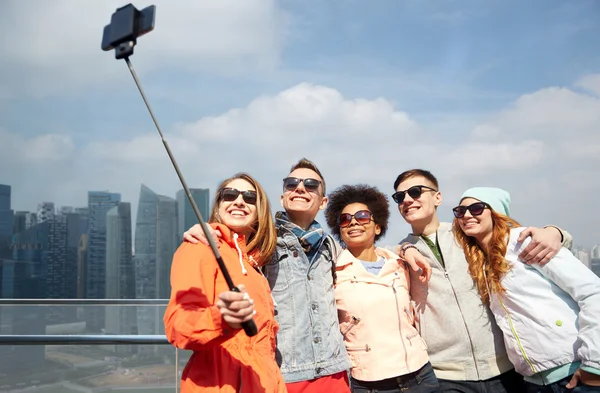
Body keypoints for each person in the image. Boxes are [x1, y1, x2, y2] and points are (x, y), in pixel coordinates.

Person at [393, 169, 573, 393]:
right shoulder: (397, 256)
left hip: (505, 368)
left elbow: (515, 237)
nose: (407, 200)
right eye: (399, 197)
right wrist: (405, 247)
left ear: (437, 197)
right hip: (446, 375)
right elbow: (372, 256)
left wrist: (556, 232)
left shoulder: (468, 233)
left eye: (415, 192)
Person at [183, 159, 351, 393]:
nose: (300, 188)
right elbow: (233, 238)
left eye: (310, 184)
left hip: (334, 372)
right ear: (283, 197)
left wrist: (406, 248)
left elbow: (366, 257)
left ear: (323, 202)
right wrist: (207, 229)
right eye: (291, 183)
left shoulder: (330, 246)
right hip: (285, 373)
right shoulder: (262, 240)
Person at [452, 187, 600, 392]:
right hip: (533, 382)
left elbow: (592, 292)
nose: (467, 215)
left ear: (496, 213)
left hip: (574, 372)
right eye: (460, 211)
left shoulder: (524, 242)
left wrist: (594, 363)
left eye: (476, 208)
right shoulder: (479, 262)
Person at [163, 173, 286, 393]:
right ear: (218, 206)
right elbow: (178, 327)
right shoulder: (199, 247)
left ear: (259, 211)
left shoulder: (255, 267)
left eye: (249, 197)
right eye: (229, 195)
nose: (239, 201)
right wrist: (222, 319)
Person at [324, 184, 439, 393]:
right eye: (345, 219)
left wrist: (406, 247)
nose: (353, 222)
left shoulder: (400, 264)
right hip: (368, 382)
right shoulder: (331, 271)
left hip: (419, 375)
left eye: (362, 216)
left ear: (377, 226)